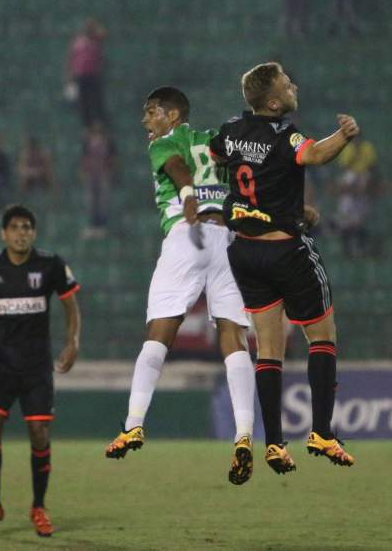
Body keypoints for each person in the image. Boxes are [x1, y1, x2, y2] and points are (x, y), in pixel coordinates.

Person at [209, 61, 359, 474]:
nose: (294, 86)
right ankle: (322, 432)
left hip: (245, 252)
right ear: (274, 103)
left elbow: (219, 157)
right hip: (285, 250)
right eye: (287, 84)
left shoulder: (230, 130)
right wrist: (344, 135)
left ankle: (274, 443)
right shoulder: (283, 133)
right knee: (322, 335)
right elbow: (314, 154)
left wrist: (276, 204)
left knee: (268, 347)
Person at [104, 86, 257, 486]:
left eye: (151, 111)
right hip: (228, 239)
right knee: (234, 335)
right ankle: (244, 434)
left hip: (187, 236)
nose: (145, 120)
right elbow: (251, 179)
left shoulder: (165, 142)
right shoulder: (218, 142)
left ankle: (133, 424)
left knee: (159, 334)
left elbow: (177, 168)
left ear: (172, 116)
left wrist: (188, 196)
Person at [0, 205, 81, 537]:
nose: (21, 233)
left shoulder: (50, 264)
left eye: (27, 227)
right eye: (15, 227)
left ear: (34, 233)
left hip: (35, 366)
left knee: (40, 434)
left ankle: (38, 507)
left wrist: (72, 341)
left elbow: (71, 305)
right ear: (4, 233)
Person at [65, 19, 108, 127]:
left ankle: (100, 123)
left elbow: (104, 34)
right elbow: (71, 59)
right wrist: (69, 75)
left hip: (93, 75)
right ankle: (87, 125)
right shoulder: (78, 42)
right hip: (80, 75)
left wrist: (96, 30)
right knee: (83, 102)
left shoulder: (96, 41)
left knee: (96, 100)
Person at [79, 122, 116, 240]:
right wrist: (83, 172)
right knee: (91, 201)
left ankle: (102, 225)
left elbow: (111, 158)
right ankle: (92, 224)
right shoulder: (88, 141)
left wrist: (110, 171)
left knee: (103, 201)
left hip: (103, 174)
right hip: (91, 175)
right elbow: (84, 158)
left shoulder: (106, 141)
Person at [17, 136, 60, 203]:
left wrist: (39, 171)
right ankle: (21, 201)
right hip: (30, 177)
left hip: (42, 175)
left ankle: (55, 201)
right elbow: (21, 169)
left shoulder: (43, 154)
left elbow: (48, 167)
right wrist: (31, 172)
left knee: (51, 177)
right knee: (23, 179)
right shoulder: (25, 154)